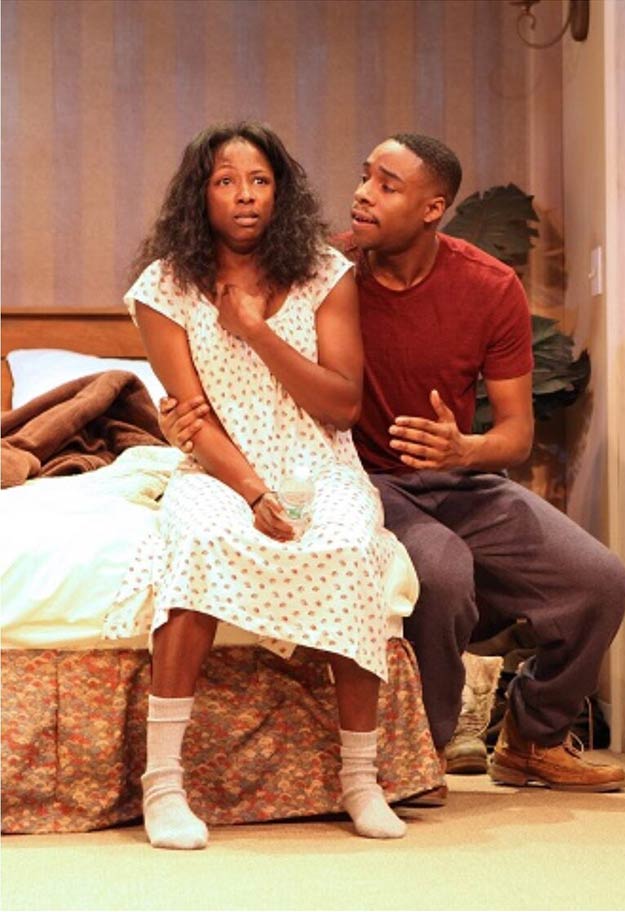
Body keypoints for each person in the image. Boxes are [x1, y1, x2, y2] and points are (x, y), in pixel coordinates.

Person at [161, 133, 625, 798]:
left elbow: (516, 435)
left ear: (433, 208)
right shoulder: (320, 271)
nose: (362, 194)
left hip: (464, 480)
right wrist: (179, 420)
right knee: (441, 571)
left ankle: (534, 737)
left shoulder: (489, 286)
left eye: (386, 185)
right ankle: (421, 757)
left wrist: (464, 450)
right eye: (364, 177)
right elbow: (235, 374)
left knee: (599, 581)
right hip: (364, 477)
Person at [104, 121, 410, 849]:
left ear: (280, 191)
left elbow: (343, 405)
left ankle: (360, 780)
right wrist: (251, 492)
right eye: (225, 181)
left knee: (350, 546)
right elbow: (192, 417)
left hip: (318, 462)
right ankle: (163, 785)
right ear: (200, 195)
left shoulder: (324, 273)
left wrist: (257, 331)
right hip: (219, 465)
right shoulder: (164, 288)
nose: (244, 195)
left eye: (259, 180)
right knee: (199, 543)